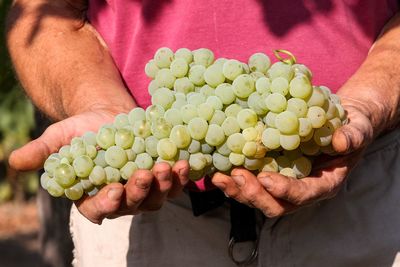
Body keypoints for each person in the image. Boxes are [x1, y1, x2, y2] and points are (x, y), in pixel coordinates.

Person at [6, 0, 400, 266]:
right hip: (153, 209)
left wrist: (371, 102)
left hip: (365, 194)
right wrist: (96, 104)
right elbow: (48, 12)